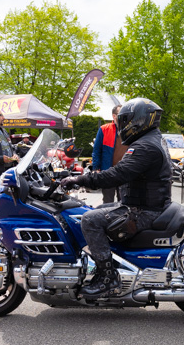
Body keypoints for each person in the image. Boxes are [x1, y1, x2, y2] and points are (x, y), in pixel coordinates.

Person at [59, 98, 172, 299]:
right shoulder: (152, 139)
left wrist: (79, 179)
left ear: (138, 120)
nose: (123, 125)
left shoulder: (145, 146)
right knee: (85, 209)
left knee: (90, 219)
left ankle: (107, 278)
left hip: (144, 210)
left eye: (126, 120)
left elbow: (116, 174)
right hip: (143, 204)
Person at [91, 105, 127, 204]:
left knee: (125, 203)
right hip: (108, 172)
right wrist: (95, 168)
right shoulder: (104, 129)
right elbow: (97, 151)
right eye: (121, 114)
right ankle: (106, 219)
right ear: (114, 116)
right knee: (107, 202)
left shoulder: (129, 130)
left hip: (124, 173)